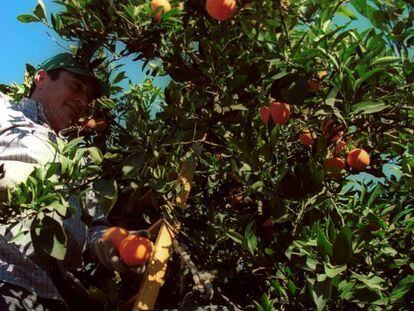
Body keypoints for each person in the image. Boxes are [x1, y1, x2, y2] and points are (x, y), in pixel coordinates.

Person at [0, 53, 146, 310]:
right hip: (6, 272)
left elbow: (95, 228)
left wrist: (115, 244)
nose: (82, 100)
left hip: (55, 295)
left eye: (88, 98)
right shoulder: (6, 112)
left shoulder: (80, 161)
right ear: (42, 79)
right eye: (76, 86)